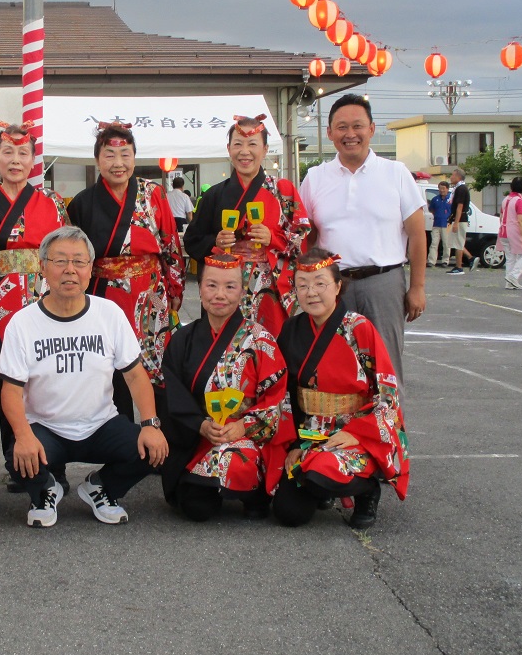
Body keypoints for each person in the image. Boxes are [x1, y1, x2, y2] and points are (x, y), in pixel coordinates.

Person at [0, 227, 169, 528]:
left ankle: (101, 487)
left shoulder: (109, 313)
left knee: (151, 449)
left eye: (79, 261)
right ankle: (46, 491)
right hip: (46, 428)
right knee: (18, 455)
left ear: (91, 269)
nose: (70, 270)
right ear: (43, 267)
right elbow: (11, 390)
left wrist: (150, 424)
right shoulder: (22, 323)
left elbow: (135, 376)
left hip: (101, 424)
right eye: (60, 261)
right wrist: (24, 436)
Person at [272, 248, 409, 529]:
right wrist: (293, 444)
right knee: (288, 513)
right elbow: (282, 392)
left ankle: (367, 490)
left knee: (322, 472)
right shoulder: (291, 329)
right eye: (302, 285)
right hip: (308, 433)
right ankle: (321, 486)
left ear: (337, 286)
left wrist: (357, 432)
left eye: (320, 283)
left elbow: (387, 392)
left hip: (353, 433)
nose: (311, 292)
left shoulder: (360, 328)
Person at [0, 121, 69, 467]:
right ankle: (15, 455)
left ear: (34, 159)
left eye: (24, 153)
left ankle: (53, 455)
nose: (16, 160)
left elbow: (67, 254)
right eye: (8, 152)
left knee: (48, 377)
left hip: (45, 302)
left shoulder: (51, 203)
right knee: (7, 378)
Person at [299, 94, 426, 384]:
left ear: (371, 128)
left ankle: (391, 429)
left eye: (357, 126)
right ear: (330, 133)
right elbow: (306, 237)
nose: (350, 134)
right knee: (336, 366)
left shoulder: (396, 173)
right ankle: (345, 430)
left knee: (386, 367)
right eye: (342, 127)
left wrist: (417, 287)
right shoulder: (315, 177)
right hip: (333, 286)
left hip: (384, 283)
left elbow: (417, 236)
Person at [66, 121, 184, 425]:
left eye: (125, 154)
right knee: (113, 370)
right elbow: (77, 258)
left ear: (134, 157)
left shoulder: (153, 194)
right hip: (106, 296)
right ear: (97, 160)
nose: (118, 163)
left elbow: (170, 245)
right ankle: (125, 445)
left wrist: (175, 291)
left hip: (151, 293)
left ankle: (164, 439)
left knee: (159, 365)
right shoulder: (82, 203)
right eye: (109, 155)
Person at [161, 251, 288, 521]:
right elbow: (172, 393)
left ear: (243, 292)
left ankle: (253, 490)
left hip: (247, 437)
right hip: (199, 437)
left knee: (239, 463)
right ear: (201, 289)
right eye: (211, 285)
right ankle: (220, 485)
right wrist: (202, 425)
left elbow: (277, 396)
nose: (220, 294)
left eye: (230, 287)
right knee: (196, 509)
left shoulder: (259, 339)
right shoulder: (182, 339)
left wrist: (243, 426)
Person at [185, 113, 311, 339]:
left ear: (264, 149)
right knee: (224, 346)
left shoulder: (283, 191)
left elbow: (304, 239)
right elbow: (192, 241)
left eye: (252, 144)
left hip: (268, 287)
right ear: (228, 148)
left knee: (270, 345)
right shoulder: (214, 194)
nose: (245, 151)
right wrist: (215, 243)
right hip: (225, 287)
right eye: (238, 144)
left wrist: (272, 238)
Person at [497, 177, 522, 290]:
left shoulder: (505, 199)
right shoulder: (519, 201)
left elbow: (501, 217)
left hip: (503, 231)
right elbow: (521, 220)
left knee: (510, 257)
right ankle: (513, 276)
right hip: (514, 231)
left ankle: (509, 282)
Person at [447, 168, 476, 274]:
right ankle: (470, 258)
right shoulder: (459, 188)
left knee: (458, 243)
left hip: (460, 219)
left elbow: (460, 206)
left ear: (458, 177)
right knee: (457, 242)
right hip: (459, 219)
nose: (451, 177)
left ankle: (459, 266)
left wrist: (456, 222)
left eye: (453, 175)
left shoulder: (461, 189)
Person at [427, 180, 452, 267]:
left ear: (447, 189)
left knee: (446, 243)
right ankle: (431, 261)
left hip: (447, 224)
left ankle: (445, 261)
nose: (442, 190)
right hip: (436, 224)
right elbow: (431, 209)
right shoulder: (435, 199)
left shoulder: (451, 199)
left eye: (443, 188)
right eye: (440, 188)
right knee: (434, 243)